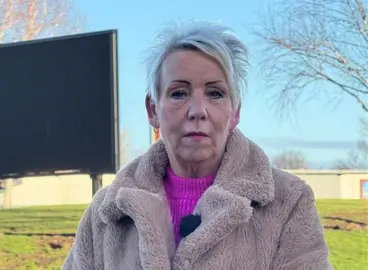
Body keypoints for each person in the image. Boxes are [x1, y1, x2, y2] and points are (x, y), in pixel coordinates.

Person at [63, 21, 332, 269]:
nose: (198, 110)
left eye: (215, 93)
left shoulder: (288, 202)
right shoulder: (104, 215)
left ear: (234, 112)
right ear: (152, 109)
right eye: (179, 93)